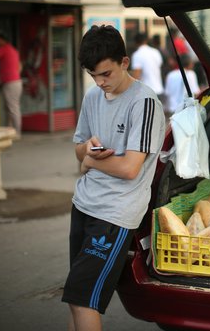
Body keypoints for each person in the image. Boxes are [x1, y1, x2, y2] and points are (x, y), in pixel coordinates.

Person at [63, 25, 165, 331]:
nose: (99, 82)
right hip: (83, 204)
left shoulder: (144, 103)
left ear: (124, 62)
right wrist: (88, 155)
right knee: (75, 297)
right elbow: (79, 150)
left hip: (115, 214)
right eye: (93, 75)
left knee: (84, 300)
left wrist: (90, 162)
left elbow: (130, 169)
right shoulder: (93, 97)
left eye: (105, 74)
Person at [130, 33, 164, 103]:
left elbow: (136, 76)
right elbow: (159, 65)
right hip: (159, 89)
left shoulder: (137, 54)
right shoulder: (156, 52)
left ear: (135, 43)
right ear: (146, 41)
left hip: (146, 93)